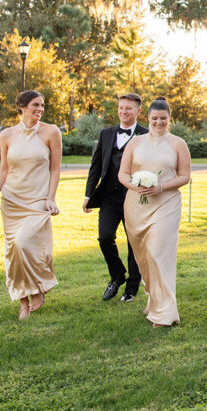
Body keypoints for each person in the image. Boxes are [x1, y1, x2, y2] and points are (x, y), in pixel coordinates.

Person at [0, 90, 61, 320]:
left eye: (42, 105)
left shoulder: (51, 132)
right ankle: (23, 302)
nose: (40, 109)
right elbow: (4, 170)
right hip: (12, 201)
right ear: (23, 107)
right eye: (36, 105)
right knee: (14, 251)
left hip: (38, 199)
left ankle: (38, 286)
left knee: (25, 243)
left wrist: (50, 197)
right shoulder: (6, 135)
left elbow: (55, 168)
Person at [119, 97, 191, 327]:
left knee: (160, 252)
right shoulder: (135, 143)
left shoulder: (178, 144)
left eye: (163, 118)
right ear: (147, 118)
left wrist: (159, 187)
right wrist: (136, 186)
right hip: (136, 206)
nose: (159, 122)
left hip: (166, 204)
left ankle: (164, 313)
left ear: (170, 119)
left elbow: (184, 176)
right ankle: (152, 294)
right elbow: (123, 173)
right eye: (155, 118)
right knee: (144, 256)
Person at [83, 93, 147, 303]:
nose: (123, 111)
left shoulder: (146, 135)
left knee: (133, 243)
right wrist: (88, 194)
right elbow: (96, 166)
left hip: (135, 198)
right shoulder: (107, 133)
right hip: (109, 197)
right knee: (104, 237)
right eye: (120, 107)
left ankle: (132, 287)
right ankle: (117, 276)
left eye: (128, 108)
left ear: (138, 111)